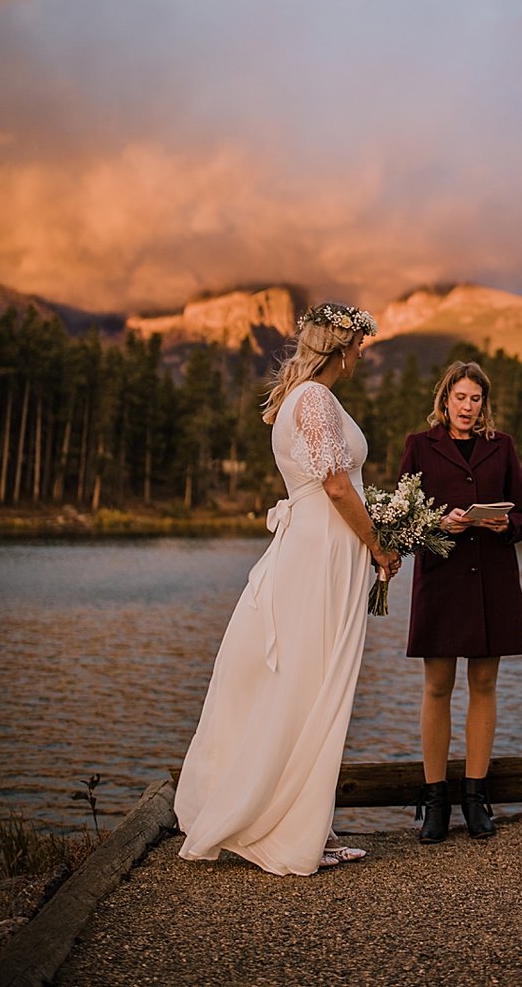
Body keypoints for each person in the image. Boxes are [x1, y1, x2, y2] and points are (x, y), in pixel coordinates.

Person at [175, 301, 401, 876]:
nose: (360, 356)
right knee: (313, 684)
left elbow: (333, 482)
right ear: (339, 347)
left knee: (305, 681)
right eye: (357, 345)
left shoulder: (297, 397)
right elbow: (334, 482)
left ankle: (299, 821)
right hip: (320, 557)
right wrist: (378, 543)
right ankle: (293, 832)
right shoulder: (317, 399)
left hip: (314, 549)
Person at [400, 361, 522, 843]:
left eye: (475, 399)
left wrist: (505, 524)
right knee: (437, 687)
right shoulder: (420, 445)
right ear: (445, 400)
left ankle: (476, 799)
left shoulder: (503, 446)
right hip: (440, 580)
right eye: (459, 397)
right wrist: (441, 524)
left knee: (484, 685)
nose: (467, 407)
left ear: (484, 404)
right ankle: (435, 800)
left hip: (491, 581)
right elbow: (403, 522)